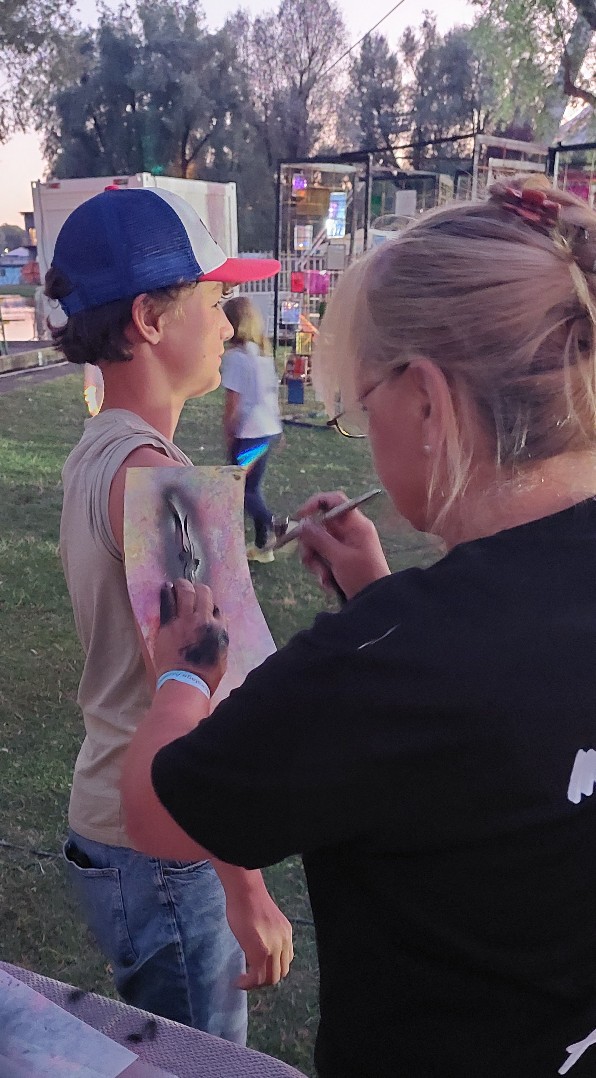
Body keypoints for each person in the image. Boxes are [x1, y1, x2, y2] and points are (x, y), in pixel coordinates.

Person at [121, 176, 596, 1078]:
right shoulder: (413, 654)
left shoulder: (393, 668)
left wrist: (185, 674)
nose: (362, 420)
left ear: (426, 399)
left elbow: (157, 806)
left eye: (363, 396)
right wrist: (378, 593)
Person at [47, 186, 293, 1041]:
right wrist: (246, 886)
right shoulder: (167, 487)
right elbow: (193, 704)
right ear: (151, 317)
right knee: (198, 1063)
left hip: (119, 831)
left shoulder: (101, 448)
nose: (230, 323)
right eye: (212, 301)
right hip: (166, 847)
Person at [220, 296, 282, 563]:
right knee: (252, 488)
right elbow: (271, 395)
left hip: (249, 435)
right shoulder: (263, 355)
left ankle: (276, 524)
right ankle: (262, 547)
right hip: (267, 431)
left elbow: (233, 404)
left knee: (241, 490)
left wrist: (229, 434)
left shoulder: (235, 358)